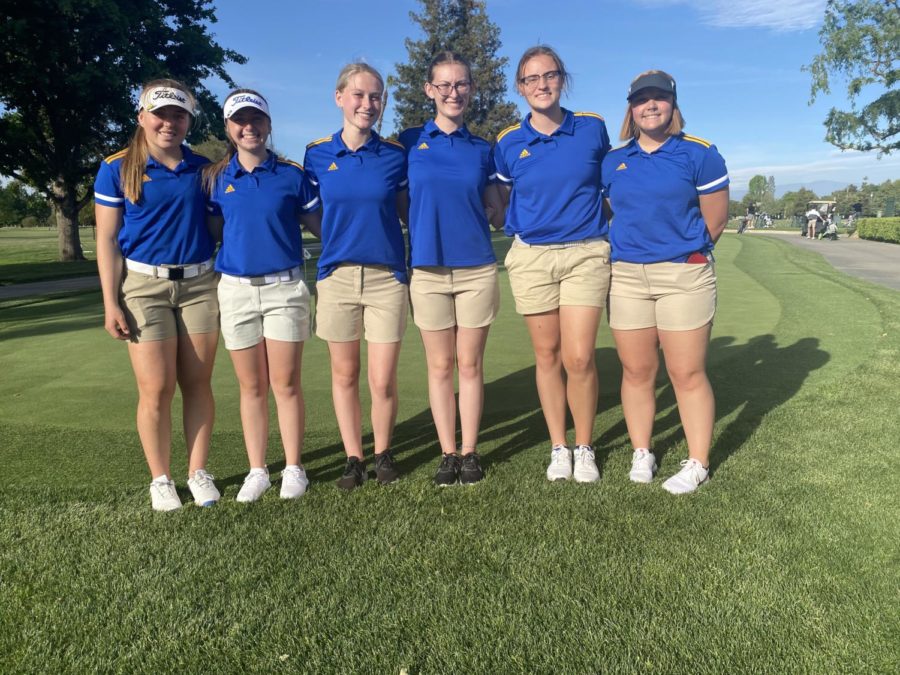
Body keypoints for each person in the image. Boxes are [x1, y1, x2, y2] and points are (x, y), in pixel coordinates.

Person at [601, 70, 730, 494]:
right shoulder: (614, 161)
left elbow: (715, 219)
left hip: (683, 275)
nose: (650, 106)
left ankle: (697, 462)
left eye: (659, 98)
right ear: (631, 108)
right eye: (641, 100)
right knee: (637, 370)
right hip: (627, 277)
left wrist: (686, 253)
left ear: (673, 105)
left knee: (686, 372)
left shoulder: (699, 153)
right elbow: (611, 212)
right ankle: (643, 450)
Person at [94, 79, 220, 511]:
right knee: (157, 388)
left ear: (189, 120)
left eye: (179, 114)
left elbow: (219, 227)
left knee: (197, 383)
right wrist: (111, 302)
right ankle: (161, 478)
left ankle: (198, 472)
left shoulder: (204, 168)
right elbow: (107, 240)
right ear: (142, 117)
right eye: (161, 113)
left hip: (200, 286)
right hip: (143, 288)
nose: (169, 122)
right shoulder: (116, 167)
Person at [494, 45, 612, 483]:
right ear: (521, 87)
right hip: (532, 257)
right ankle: (558, 447)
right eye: (531, 79)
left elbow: (611, 180)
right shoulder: (509, 142)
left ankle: (584, 447)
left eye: (549, 76)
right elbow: (502, 196)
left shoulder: (592, 129)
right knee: (547, 356)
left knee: (579, 357)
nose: (541, 85)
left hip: (585, 252)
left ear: (562, 79)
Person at [204, 89, 322, 502]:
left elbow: (320, 225)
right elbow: (218, 233)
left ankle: (294, 467)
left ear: (269, 125)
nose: (249, 127)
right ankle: (258, 470)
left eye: (256, 120)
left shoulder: (291, 174)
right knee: (250, 386)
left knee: (285, 383)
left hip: (285, 289)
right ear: (229, 128)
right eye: (240, 120)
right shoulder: (217, 179)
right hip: (235, 291)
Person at [398, 51, 505, 487]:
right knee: (440, 367)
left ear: (471, 90)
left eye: (461, 84)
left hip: (477, 267)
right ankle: (447, 453)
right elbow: (400, 200)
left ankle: (470, 451)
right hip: (427, 270)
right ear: (429, 90)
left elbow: (498, 206)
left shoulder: (484, 149)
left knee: (470, 366)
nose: (453, 92)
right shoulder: (407, 142)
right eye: (444, 85)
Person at [303, 63, 409, 491]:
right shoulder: (316, 155)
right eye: (360, 95)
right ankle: (354, 457)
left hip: (387, 276)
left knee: (382, 379)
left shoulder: (394, 155)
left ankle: (383, 451)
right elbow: (309, 212)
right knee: (344, 375)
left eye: (376, 96)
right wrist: (338, 237)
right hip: (337, 277)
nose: (368, 104)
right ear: (339, 97)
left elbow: (406, 211)